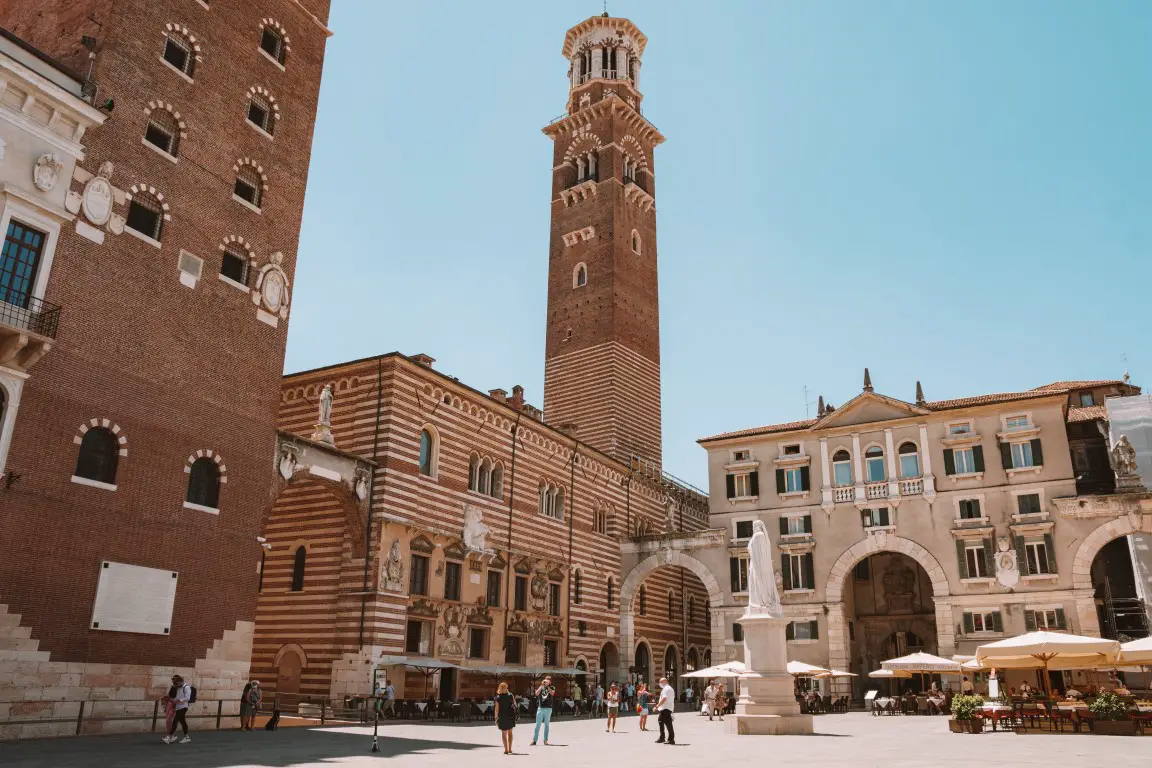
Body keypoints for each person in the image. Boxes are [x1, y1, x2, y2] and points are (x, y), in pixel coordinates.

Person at [162, 675, 192, 744]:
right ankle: (186, 737)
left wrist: (179, 700)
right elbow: (177, 696)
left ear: (180, 681)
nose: (175, 685)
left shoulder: (187, 687)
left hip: (183, 707)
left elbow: (187, 698)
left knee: (175, 721)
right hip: (178, 707)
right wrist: (174, 700)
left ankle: (169, 737)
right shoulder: (179, 687)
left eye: (176, 683)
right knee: (183, 722)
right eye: (174, 683)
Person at [530, 676, 555, 746]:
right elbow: (536, 693)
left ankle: (545, 740)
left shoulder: (552, 687)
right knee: (537, 725)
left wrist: (547, 687)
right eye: (546, 680)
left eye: (548, 680)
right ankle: (534, 740)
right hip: (540, 708)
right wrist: (541, 686)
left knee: (546, 725)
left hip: (548, 708)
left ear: (550, 682)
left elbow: (552, 693)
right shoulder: (541, 687)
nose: (546, 681)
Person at [494, 682, 517, 755]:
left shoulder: (498, 697)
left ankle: (506, 749)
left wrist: (495, 718)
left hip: (502, 717)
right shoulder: (510, 695)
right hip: (510, 716)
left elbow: (496, 709)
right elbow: (515, 705)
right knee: (510, 733)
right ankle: (510, 749)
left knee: (504, 733)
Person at [655, 676, 675, 745]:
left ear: (664, 682)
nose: (659, 684)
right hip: (668, 708)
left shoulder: (666, 689)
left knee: (664, 722)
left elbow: (664, 698)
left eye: (660, 682)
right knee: (664, 722)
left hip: (665, 709)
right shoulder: (670, 689)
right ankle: (666, 738)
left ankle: (666, 738)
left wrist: (657, 706)